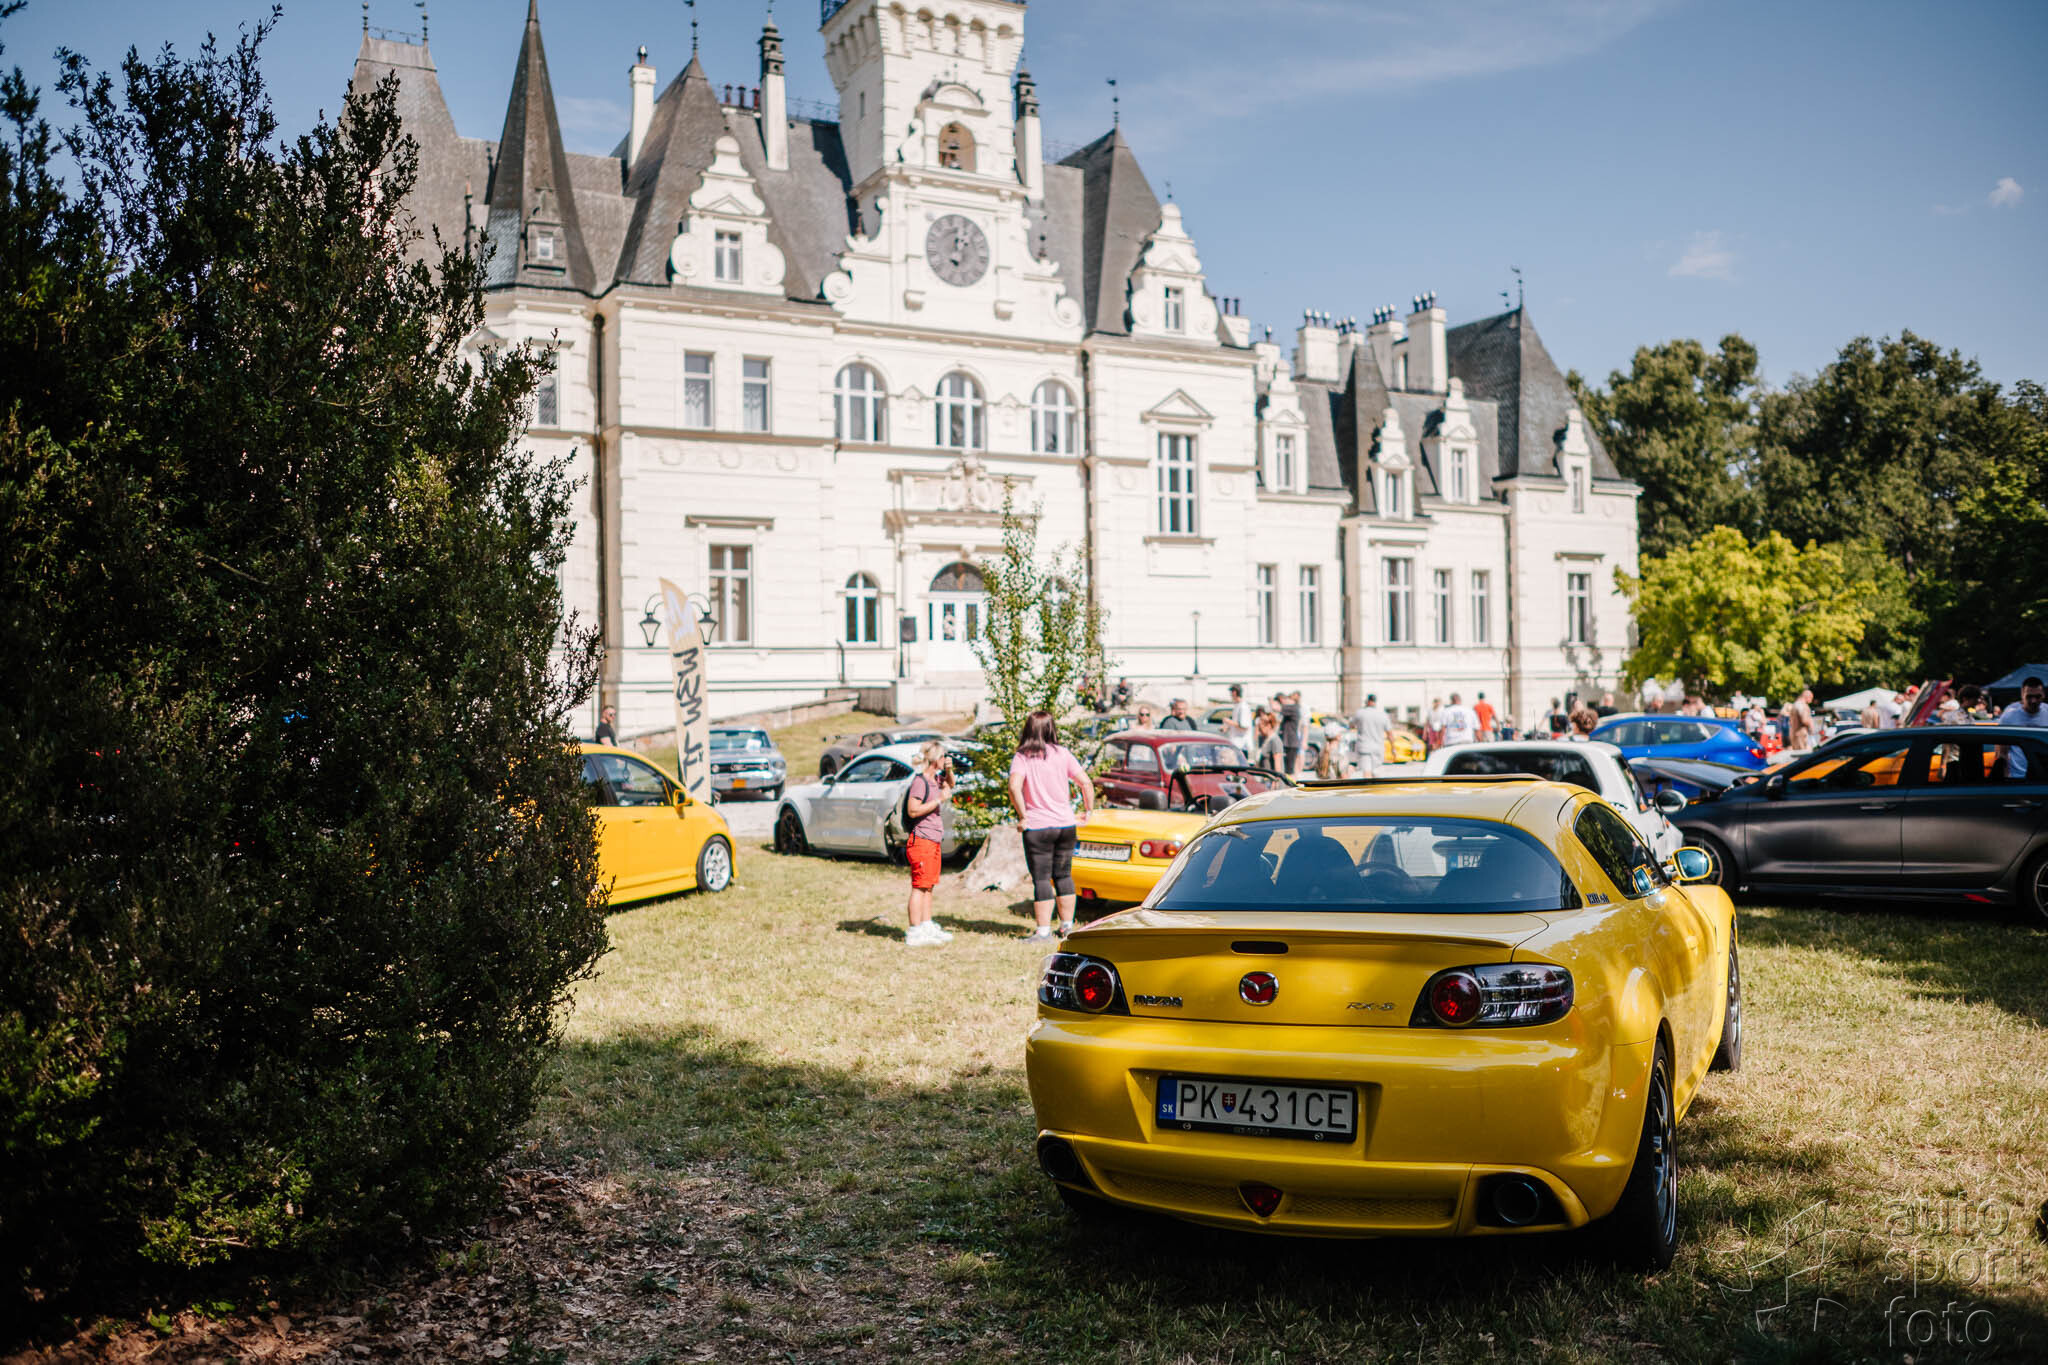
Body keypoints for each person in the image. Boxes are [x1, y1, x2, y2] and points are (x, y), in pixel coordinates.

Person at [1008, 711, 1095, 941]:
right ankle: (1067, 927)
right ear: (1051, 729)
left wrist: (1023, 815)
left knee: (1042, 879)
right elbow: (1086, 783)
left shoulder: (1022, 757)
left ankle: (1043, 931)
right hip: (1065, 825)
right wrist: (1088, 811)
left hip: (1037, 826)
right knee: (1064, 875)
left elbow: (1014, 786)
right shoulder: (1063, 753)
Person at [901, 742, 955, 946]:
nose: (946, 759)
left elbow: (951, 785)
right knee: (919, 886)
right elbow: (913, 810)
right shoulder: (920, 781)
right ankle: (914, 931)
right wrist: (938, 800)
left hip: (933, 839)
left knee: (929, 885)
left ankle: (926, 924)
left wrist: (949, 770)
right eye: (943, 757)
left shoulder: (936, 779)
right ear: (935, 759)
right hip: (921, 839)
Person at [1996, 676, 2048, 778]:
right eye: (2029, 696)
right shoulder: (2009, 717)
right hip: (2018, 777)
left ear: (2043, 695)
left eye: (2038, 696)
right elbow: (2001, 753)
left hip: (2044, 777)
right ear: (2022, 694)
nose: (2033, 701)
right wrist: (2005, 779)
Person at [1352, 692, 1390, 778]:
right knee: (1377, 772)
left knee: (1366, 772)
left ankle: (1368, 786)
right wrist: (1393, 748)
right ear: (1375, 702)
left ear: (1367, 701)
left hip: (1364, 747)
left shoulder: (1360, 713)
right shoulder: (1382, 714)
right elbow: (1389, 732)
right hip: (1378, 748)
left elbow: (1351, 725)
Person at [1280, 691, 1304, 776]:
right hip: (1290, 742)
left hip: (1291, 743)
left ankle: (1292, 782)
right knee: (1288, 769)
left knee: (1289, 770)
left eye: (1288, 699)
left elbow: (1277, 708)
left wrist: (1273, 701)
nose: (1286, 700)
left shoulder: (1293, 708)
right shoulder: (1293, 708)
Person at [1222, 683, 1252, 750]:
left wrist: (1228, 721)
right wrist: (1227, 727)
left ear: (1235, 693)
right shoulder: (1237, 706)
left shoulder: (1243, 707)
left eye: (1231, 693)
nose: (1230, 695)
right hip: (1236, 743)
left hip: (1242, 745)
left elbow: (1244, 726)